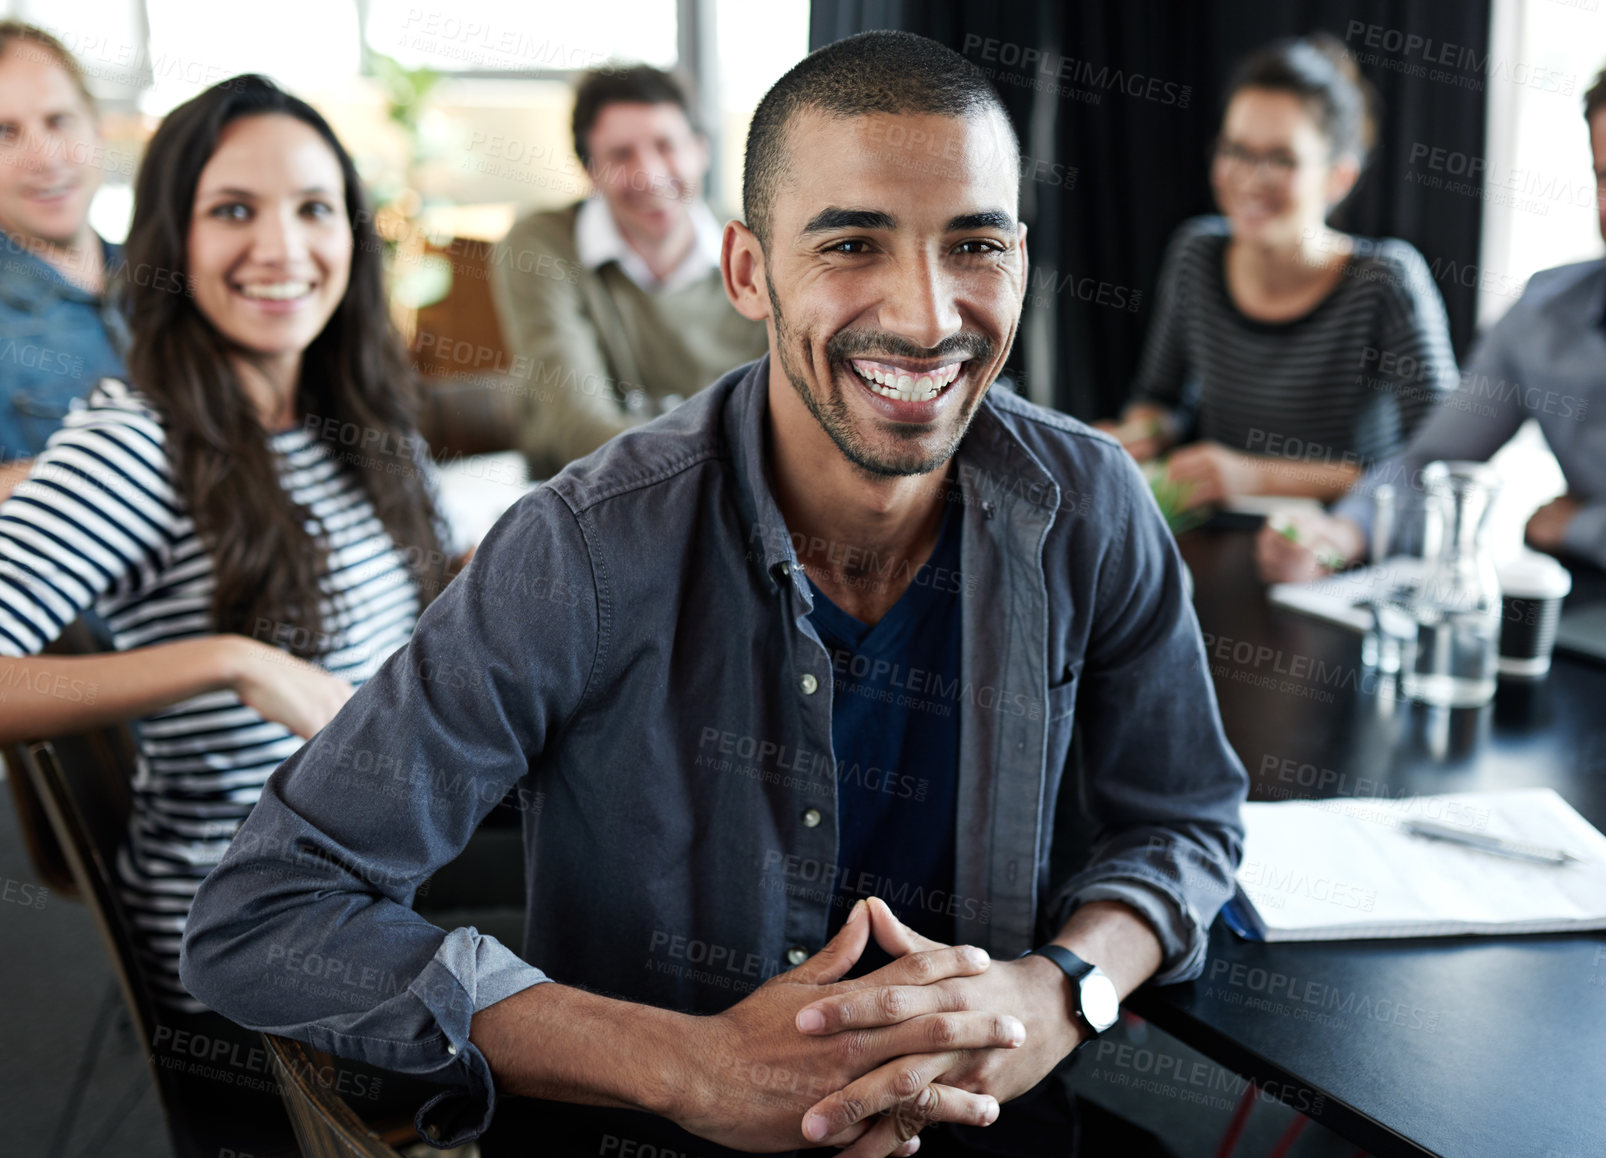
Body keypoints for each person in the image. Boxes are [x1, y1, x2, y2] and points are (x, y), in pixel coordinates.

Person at [181, 30, 1248, 1158]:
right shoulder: (579, 550)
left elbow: (1183, 823)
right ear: (747, 270)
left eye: (974, 245)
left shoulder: (1089, 504)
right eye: (852, 244)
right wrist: (687, 1066)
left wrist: (1064, 989)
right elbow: (264, 915)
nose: (929, 314)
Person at [0, 74, 460, 1020]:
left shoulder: (357, 412)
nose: (282, 247)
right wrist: (228, 661)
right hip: (261, 933)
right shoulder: (134, 441)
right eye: (234, 211)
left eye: (314, 209)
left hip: (391, 858)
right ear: (175, 239)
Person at [1259, 43, 1606, 611]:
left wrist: (1583, 524)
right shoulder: (1544, 312)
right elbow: (1426, 468)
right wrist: (1341, 534)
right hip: (1581, 623)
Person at [1097, 34, 1457, 511]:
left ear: (1339, 178)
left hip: (1340, 547)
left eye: (1281, 159)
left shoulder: (1387, 281)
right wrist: (1141, 434)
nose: (1249, 178)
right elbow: (1161, 398)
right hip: (1220, 535)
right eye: (1236, 151)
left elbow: (1438, 466)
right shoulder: (1196, 254)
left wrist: (1252, 475)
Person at [491, 63, 767, 478]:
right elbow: (579, 429)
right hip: (587, 503)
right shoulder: (542, 246)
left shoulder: (761, 247)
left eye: (666, 145)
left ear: (700, 151)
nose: (650, 175)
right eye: (621, 155)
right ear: (590, 172)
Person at [0, 21, 128, 481]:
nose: (44, 156)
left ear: (97, 128)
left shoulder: (176, 280)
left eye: (58, 120)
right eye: (5, 133)